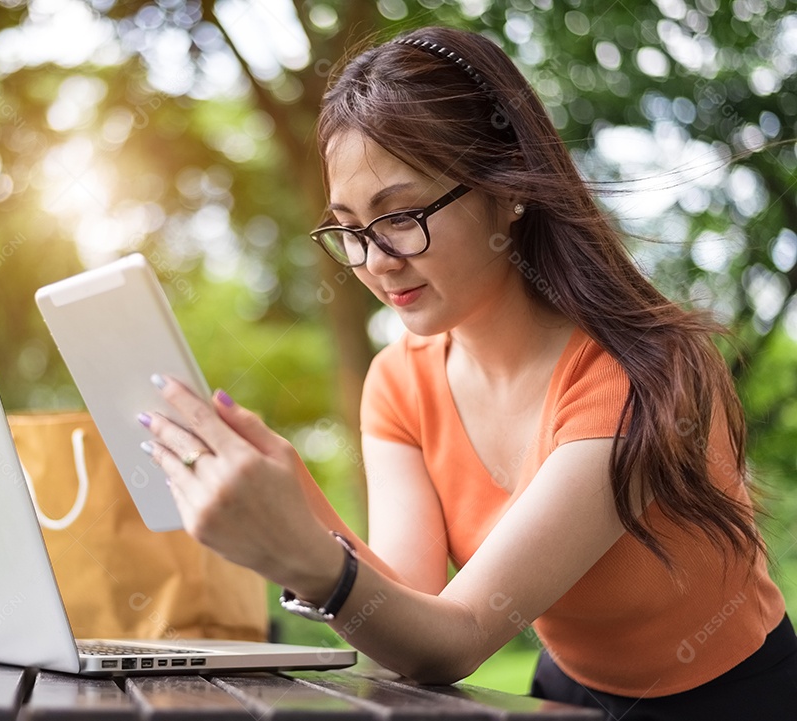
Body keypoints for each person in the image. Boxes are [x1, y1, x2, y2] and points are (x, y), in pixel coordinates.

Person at [137, 25, 797, 720]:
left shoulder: (637, 375)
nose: (376, 259)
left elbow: (457, 639)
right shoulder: (400, 381)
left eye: (401, 215)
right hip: (568, 691)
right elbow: (405, 621)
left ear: (508, 189)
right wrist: (287, 489)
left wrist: (306, 558)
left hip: (734, 698)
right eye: (350, 229)